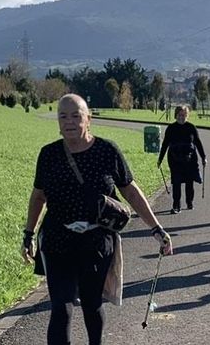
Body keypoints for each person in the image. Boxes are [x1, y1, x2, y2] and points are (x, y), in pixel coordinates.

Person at [21, 94, 173, 345]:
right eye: (63, 116)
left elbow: (131, 192)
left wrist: (156, 227)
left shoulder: (107, 150)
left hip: (96, 242)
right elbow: (38, 197)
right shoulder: (48, 154)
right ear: (58, 122)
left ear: (88, 119)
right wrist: (28, 234)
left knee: (92, 305)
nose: (69, 121)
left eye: (75, 115)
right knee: (61, 305)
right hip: (58, 239)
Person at [157, 105, 207, 214]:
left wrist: (204, 157)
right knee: (176, 182)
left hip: (190, 160)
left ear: (187, 115)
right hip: (175, 159)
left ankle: (189, 202)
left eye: (184, 115)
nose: (181, 117)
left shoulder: (191, 127)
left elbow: (198, 143)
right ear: (176, 115)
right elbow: (165, 144)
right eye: (179, 115)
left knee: (189, 182)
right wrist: (160, 159)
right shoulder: (171, 128)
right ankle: (176, 205)